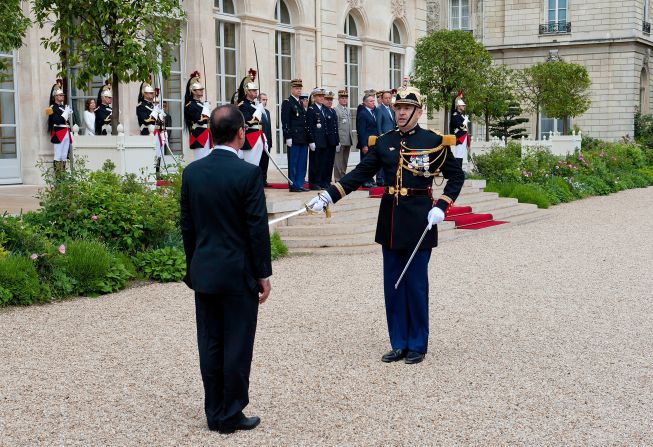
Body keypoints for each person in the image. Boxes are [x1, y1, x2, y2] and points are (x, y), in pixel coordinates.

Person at [307, 85, 465, 365]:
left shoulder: (434, 141)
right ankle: (399, 342)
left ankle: (417, 343)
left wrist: (442, 206)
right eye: (398, 108)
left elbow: (456, 177)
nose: (401, 112)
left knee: (415, 284)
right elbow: (359, 174)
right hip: (390, 219)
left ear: (418, 111)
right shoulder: (385, 141)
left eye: (407, 108)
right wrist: (329, 195)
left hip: (420, 219)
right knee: (393, 284)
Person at [180, 103, 272, 434]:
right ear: (239, 133)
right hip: (238, 273)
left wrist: (193, 266)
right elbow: (256, 228)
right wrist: (263, 273)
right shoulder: (248, 174)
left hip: (205, 270)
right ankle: (231, 413)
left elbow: (187, 227)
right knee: (237, 343)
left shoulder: (192, 173)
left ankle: (213, 411)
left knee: (210, 343)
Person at [233, 69, 267, 167]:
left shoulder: (256, 105)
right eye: (253, 90)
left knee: (257, 165)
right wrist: (258, 110)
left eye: (256, 90)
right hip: (250, 137)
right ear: (247, 91)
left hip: (259, 136)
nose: (256, 92)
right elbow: (248, 121)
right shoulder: (243, 105)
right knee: (249, 164)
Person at [280, 78, 309, 192]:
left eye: (300, 88)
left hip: (303, 137)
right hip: (294, 137)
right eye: (296, 88)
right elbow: (285, 121)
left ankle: (300, 184)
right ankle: (293, 184)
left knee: (302, 163)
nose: (299, 90)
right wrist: (287, 136)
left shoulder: (300, 103)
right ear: (291, 89)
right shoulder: (288, 102)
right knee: (293, 162)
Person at [136, 81, 167, 178]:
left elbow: (161, 121)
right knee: (151, 154)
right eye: (150, 93)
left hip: (157, 132)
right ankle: (150, 173)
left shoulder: (153, 106)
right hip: (147, 132)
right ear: (144, 94)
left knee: (158, 154)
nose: (152, 94)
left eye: (152, 93)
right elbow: (145, 120)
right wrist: (154, 113)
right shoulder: (141, 106)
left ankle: (157, 173)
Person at [46, 79, 72, 175]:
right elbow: (57, 120)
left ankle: (63, 175)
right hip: (58, 132)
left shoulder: (64, 107)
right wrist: (65, 113)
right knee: (58, 155)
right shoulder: (51, 108)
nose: (62, 97)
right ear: (55, 97)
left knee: (65, 155)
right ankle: (58, 177)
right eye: (60, 95)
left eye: (63, 95)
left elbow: (68, 122)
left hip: (66, 131)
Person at [184, 71, 212, 160]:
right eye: (199, 90)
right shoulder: (190, 105)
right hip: (198, 134)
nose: (201, 91)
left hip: (206, 132)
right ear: (193, 91)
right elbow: (200, 120)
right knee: (200, 159)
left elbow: (208, 119)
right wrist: (206, 109)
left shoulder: (202, 104)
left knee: (207, 157)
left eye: (202, 89)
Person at [306, 87, 328, 190]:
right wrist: (311, 141)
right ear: (314, 98)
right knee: (314, 163)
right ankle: (313, 183)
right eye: (319, 96)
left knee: (322, 163)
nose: (322, 98)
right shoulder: (311, 109)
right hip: (315, 140)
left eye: (323, 96)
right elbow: (309, 126)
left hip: (323, 140)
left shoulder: (323, 109)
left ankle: (320, 182)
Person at [355, 92, 378, 188]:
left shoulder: (373, 112)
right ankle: (364, 181)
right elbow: (361, 131)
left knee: (371, 163)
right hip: (366, 143)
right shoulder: (363, 113)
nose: (373, 102)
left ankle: (370, 179)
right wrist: (364, 145)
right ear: (365, 103)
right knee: (365, 163)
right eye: (371, 101)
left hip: (373, 142)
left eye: (373, 100)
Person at [374, 90, 396, 186]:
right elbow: (378, 125)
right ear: (382, 99)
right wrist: (380, 137)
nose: (388, 100)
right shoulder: (379, 109)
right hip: (384, 137)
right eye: (386, 98)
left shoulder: (391, 109)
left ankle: (387, 177)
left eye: (389, 98)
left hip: (392, 137)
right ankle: (379, 178)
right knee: (382, 158)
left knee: (389, 158)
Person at [333, 89, 352, 182]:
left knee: (344, 160)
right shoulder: (336, 110)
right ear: (339, 99)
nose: (344, 100)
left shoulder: (347, 110)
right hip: (340, 139)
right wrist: (337, 141)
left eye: (346, 98)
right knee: (338, 161)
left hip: (347, 139)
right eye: (342, 98)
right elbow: (336, 126)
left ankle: (343, 177)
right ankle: (337, 178)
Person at [322, 90, 339, 188]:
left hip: (333, 141)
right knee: (324, 162)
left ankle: (328, 180)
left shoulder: (332, 111)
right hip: (326, 141)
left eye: (331, 100)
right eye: (327, 99)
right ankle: (324, 181)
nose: (329, 102)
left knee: (330, 163)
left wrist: (337, 141)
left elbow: (335, 127)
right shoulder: (323, 111)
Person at [449, 92, 469, 169]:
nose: (464, 107)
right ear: (458, 106)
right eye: (462, 105)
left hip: (462, 136)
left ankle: (459, 171)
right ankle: (458, 171)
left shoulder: (459, 115)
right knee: (459, 155)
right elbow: (461, 127)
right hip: (459, 136)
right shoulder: (455, 115)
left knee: (461, 155)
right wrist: (465, 120)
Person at [258, 93, 273, 186]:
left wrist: (270, 141)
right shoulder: (257, 111)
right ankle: (259, 181)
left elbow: (268, 127)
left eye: (266, 100)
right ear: (259, 100)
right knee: (259, 161)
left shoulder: (267, 112)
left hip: (267, 141)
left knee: (265, 161)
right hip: (260, 141)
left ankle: (264, 180)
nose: (265, 101)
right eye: (263, 99)